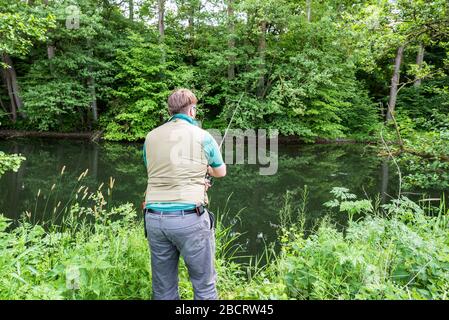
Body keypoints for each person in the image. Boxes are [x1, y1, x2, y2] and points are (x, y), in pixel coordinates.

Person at [142, 88, 226, 300]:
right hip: (189, 218)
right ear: (192, 111)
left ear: (170, 111)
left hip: (154, 219)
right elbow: (220, 171)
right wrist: (204, 171)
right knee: (204, 287)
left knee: (163, 290)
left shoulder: (150, 137)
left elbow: (153, 168)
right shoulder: (203, 136)